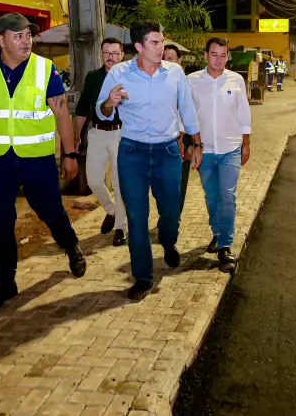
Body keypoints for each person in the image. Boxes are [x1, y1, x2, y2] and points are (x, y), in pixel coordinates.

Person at [0, 13, 86, 313]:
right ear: (0, 39)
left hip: (37, 160)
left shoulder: (44, 69)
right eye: (18, 35)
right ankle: (6, 283)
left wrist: (69, 154)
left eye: (28, 35)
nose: (26, 40)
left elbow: (61, 112)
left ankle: (71, 244)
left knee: (51, 211)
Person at [96, 21, 202, 301]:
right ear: (139, 47)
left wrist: (198, 144)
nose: (161, 47)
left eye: (162, 40)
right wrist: (110, 102)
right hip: (133, 153)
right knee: (136, 217)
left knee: (170, 210)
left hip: (168, 152)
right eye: (155, 42)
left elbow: (188, 111)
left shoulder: (175, 73)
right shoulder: (120, 73)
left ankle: (168, 242)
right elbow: (102, 111)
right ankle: (143, 276)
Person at [188, 38, 251, 271]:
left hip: (231, 148)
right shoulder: (192, 81)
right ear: (205, 55)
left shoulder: (236, 80)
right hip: (205, 151)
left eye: (223, 55)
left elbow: (244, 113)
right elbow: (187, 115)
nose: (219, 59)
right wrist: (188, 144)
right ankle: (217, 232)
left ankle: (225, 244)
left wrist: (246, 144)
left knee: (227, 196)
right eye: (214, 54)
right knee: (211, 197)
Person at [74, 37, 128, 246]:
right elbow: (81, 107)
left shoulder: (129, 77)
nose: (110, 57)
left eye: (115, 53)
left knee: (118, 184)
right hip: (96, 133)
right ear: (101, 54)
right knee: (94, 180)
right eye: (106, 53)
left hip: (120, 135)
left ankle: (121, 228)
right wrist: (76, 135)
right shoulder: (92, 77)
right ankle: (112, 211)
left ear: (122, 55)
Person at [162, 44, 193, 215]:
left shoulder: (187, 83)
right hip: (162, 140)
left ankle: (174, 219)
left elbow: (188, 113)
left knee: (179, 181)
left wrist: (183, 140)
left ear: (179, 62)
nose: (166, 62)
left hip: (181, 138)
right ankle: (166, 215)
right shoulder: (157, 83)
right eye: (163, 59)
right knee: (163, 182)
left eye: (170, 59)